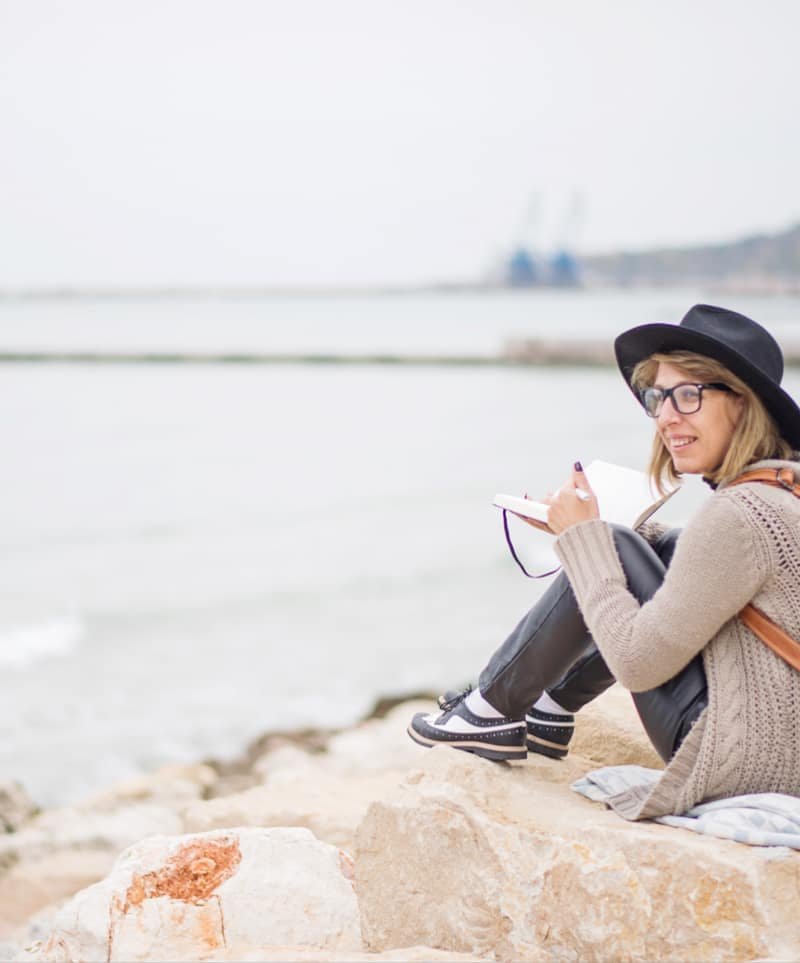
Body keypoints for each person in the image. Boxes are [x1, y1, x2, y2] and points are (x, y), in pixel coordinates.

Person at [408, 303, 800, 820]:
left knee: (608, 543)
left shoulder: (739, 512)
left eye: (689, 395)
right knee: (655, 543)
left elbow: (638, 663)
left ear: (744, 404)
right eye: (657, 397)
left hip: (742, 760)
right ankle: (549, 709)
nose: (666, 417)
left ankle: (489, 712)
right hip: (777, 748)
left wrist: (586, 539)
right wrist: (588, 534)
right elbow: (704, 571)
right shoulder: (780, 493)